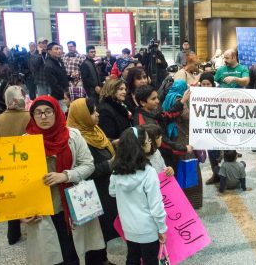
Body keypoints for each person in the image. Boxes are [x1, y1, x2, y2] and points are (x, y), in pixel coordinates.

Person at [24, 96, 105, 265]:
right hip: (44, 210)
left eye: (48, 111)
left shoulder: (72, 136)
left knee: (76, 253)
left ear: (57, 112)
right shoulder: (25, 142)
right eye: (38, 113)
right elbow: (16, 183)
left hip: (74, 204)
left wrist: (66, 175)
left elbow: (88, 165)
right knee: (53, 254)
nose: (43, 117)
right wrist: (22, 213)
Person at [66, 98, 118, 265]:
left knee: (107, 226)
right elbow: (85, 169)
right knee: (98, 229)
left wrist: (113, 143)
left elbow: (103, 146)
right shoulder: (76, 138)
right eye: (92, 112)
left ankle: (105, 257)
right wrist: (110, 163)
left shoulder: (94, 130)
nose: (97, 114)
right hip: (92, 191)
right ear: (82, 116)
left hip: (106, 187)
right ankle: (98, 259)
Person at [109, 126, 167, 265]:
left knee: (132, 257)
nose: (150, 143)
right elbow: (156, 205)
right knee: (150, 260)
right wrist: (162, 228)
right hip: (148, 228)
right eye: (147, 140)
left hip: (128, 227)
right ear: (140, 146)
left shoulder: (116, 172)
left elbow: (112, 192)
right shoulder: (148, 172)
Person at [0, 85, 30, 245]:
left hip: (7, 162)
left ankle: (12, 234)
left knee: (12, 197)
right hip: (27, 160)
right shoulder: (29, 117)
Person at [162, 80, 203, 209]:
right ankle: (191, 201)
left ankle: (178, 199)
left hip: (173, 135)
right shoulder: (179, 99)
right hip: (182, 137)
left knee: (178, 167)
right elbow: (187, 116)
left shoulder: (168, 96)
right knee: (190, 169)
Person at [133, 84, 192, 168]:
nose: (157, 101)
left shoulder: (151, 112)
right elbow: (162, 143)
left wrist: (182, 101)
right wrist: (183, 148)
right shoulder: (145, 123)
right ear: (142, 102)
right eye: (153, 99)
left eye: (157, 97)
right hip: (157, 161)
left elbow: (166, 116)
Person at [44, 42, 70, 112]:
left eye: (59, 49)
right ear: (49, 51)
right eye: (56, 49)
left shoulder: (59, 61)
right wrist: (63, 93)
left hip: (65, 92)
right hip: (59, 96)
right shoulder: (49, 66)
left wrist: (70, 77)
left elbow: (62, 76)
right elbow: (54, 84)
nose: (59, 51)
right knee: (64, 114)